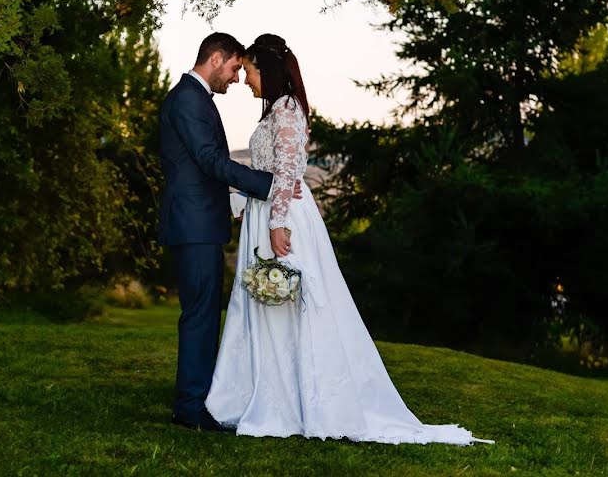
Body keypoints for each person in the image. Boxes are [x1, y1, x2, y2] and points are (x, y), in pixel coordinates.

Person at [206, 34, 492, 445]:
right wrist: (243, 204)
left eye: (249, 71)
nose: (247, 80)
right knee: (269, 309)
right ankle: (267, 393)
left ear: (264, 69)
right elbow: (272, 175)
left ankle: (296, 402)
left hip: (282, 220)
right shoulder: (275, 111)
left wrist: (277, 223)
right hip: (268, 212)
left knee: (288, 305)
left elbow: (287, 172)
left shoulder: (286, 110)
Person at [158, 32, 301, 431]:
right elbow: (208, 160)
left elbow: (202, 166)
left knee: (203, 314)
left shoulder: (196, 98)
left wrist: (236, 197)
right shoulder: (189, 98)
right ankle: (190, 407)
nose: (237, 78)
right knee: (200, 316)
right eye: (236, 67)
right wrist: (268, 184)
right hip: (193, 225)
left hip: (200, 220)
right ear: (217, 58)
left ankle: (199, 399)